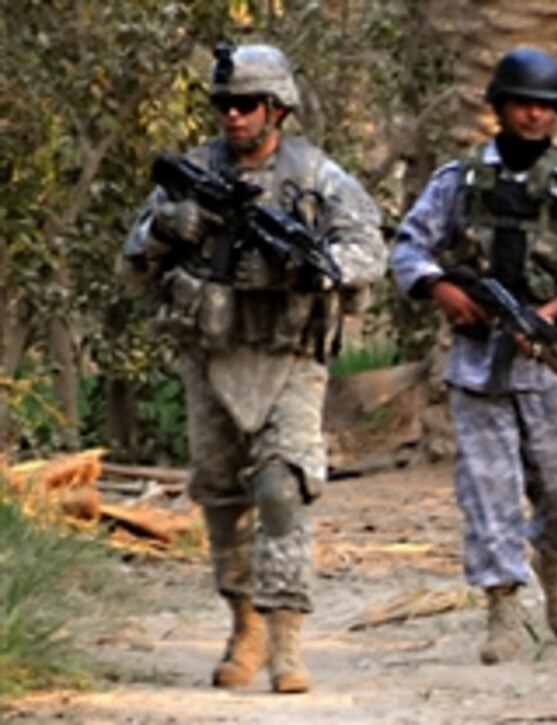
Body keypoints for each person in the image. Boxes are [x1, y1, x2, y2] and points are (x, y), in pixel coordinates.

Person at [119, 43, 387, 693]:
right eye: (224, 105)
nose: (233, 117)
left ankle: (287, 640)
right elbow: (132, 261)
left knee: (281, 486)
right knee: (220, 492)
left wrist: (317, 267)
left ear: (278, 109)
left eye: (247, 105)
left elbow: (370, 248)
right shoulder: (191, 173)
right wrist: (172, 226)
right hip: (212, 353)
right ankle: (244, 621)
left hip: (288, 355)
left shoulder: (317, 176)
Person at [389, 46, 557, 665]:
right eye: (523, 104)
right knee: (488, 490)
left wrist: (545, 316)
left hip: (554, 362)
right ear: (499, 109)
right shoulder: (457, 182)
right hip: (477, 365)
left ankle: (554, 563)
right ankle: (503, 609)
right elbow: (409, 248)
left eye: (546, 107)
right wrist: (442, 287)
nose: (534, 117)